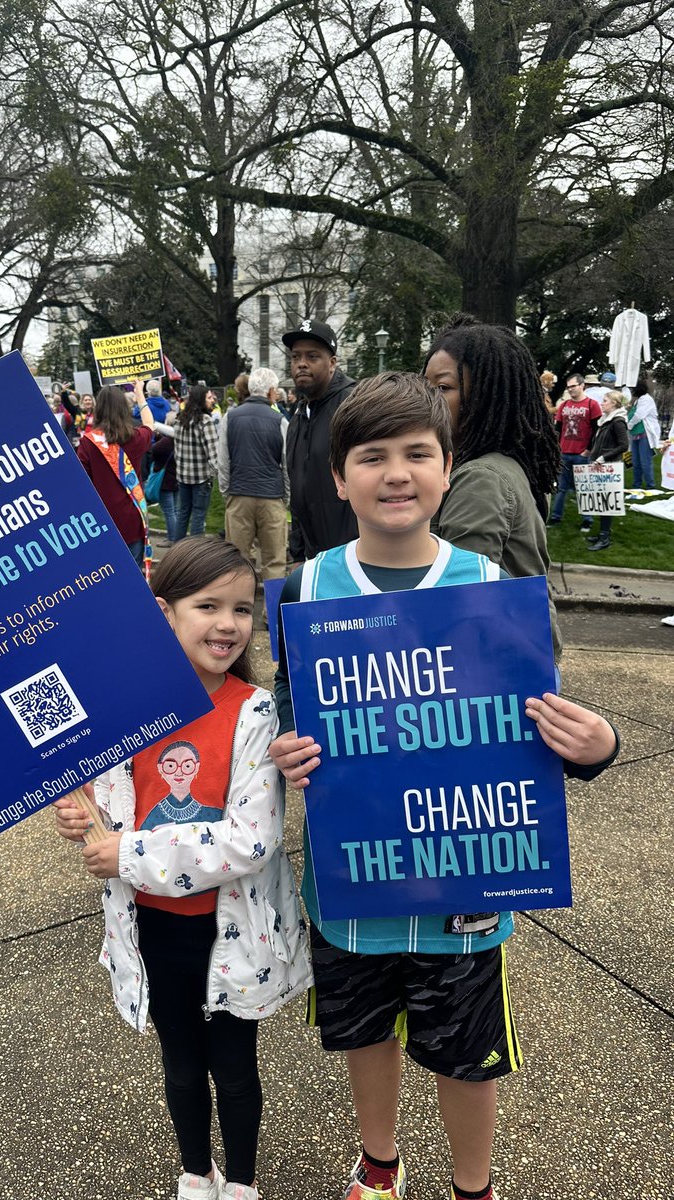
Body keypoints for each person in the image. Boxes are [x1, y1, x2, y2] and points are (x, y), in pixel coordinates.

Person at [269, 374, 619, 1200]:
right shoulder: (305, 589)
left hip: (464, 883)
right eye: (372, 457)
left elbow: (537, 717)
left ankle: (474, 1187)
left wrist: (596, 746)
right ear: (338, 478)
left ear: (447, 467)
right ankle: (379, 1166)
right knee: (366, 1037)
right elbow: (288, 705)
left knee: (467, 1055)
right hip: (354, 882)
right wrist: (286, 749)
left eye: (417, 453)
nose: (397, 473)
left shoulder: (488, 584)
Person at [54, 537, 311, 1200]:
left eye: (242, 609)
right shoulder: (125, 710)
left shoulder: (254, 711)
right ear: (164, 612)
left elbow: (250, 840)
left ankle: (243, 1180)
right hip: (153, 928)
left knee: (234, 1067)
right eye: (208, 606)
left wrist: (129, 852)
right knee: (181, 1065)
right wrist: (83, 817)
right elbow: (110, 810)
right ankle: (197, 1171)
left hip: (232, 931)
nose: (228, 624)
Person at [423, 314, 564, 660]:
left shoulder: (481, 478)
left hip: (499, 664)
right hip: (524, 649)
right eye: (425, 386)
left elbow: (461, 599)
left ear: (487, 395)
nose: (427, 399)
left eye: (442, 388)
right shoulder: (503, 463)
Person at [282, 318, 356, 562]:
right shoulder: (298, 418)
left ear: (332, 363)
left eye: (312, 356)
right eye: (295, 357)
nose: (301, 364)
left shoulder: (353, 406)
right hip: (314, 559)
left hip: (354, 555)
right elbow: (298, 492)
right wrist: (297, 554)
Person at [217, 366, 289, 581]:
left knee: (237, 561)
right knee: (275, 561)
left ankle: (239, 601)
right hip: (272, 496)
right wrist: (286, 496)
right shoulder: (280, 421)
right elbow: (287, 464)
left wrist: (227, 492)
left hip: (239, 493)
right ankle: (272, 604)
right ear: (271, 391)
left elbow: (223, 461)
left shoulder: (230, 417)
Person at [77, 380, 156, 567]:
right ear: (124, 409)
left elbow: (81, 484)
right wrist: (139, 393)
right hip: (132, 519)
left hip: (103, 522)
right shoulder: (135, 437)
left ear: (98, 409)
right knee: (134, 574)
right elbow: (149, 424)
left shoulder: (88, 443)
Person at [545, 372, 601, 528]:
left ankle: (587, 520)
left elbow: (597, 430)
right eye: (568, 387)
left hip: (582, 454)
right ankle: (555, 517)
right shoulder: (564, 406)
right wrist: (556, 448)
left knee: (584, 488)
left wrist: (588, 450)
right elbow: (558, 429)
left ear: (582, 386)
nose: (570, 389)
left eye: (573, 386)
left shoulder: (592, 405)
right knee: (561, 488)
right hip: (564, 453)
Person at [583, 390, 629, 551]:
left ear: (614, 403)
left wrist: (603, 457)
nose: (601, 403)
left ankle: (604, 538)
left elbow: (624, 445)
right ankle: (603, 533)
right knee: (602, 502)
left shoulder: (617, 421)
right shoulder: (606, 420)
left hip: (609, 467)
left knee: (607, 503)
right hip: (601, 465)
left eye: (605, 401)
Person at [172, 384, 219, 541]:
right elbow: (214, 454)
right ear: (201, 399)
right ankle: (195, 552)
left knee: (182, 514)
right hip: (201, 478)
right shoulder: (205, 421)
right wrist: (218, 475)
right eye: (209, 397)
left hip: (183, 476)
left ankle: (177, 549)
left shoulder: (179, 419)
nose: (212, 400)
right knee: (198, 516)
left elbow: (177, 450)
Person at [626, 375, 661, 489]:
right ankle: (637, 484)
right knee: (635, 461)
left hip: (645, 435)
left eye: (632, 389)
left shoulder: (646, 400)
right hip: (636, 435)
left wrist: (629, 425)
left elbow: (639, 415)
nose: (631, 391)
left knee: (645, 461)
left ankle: (650, 485)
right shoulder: (638, 401)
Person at [149, 427, 178, 543]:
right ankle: (176, 537)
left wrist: (158, 437)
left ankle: (172, 538)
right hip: (176, 479)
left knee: (169, 511)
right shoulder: (180, 439)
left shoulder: (166, 441)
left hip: (165, 481)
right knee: (175, 510)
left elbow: (153, 450)